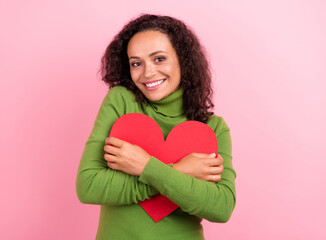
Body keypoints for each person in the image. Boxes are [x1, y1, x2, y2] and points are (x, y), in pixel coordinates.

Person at [76, 14, 236, 240]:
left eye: (159, 59)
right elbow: (89, 186)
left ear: (183, 59)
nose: (148, 73)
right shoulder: (121, 101)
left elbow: (221, 207)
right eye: (136, 63)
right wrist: (179, 170)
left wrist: (145, 166)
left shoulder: (212, 128)